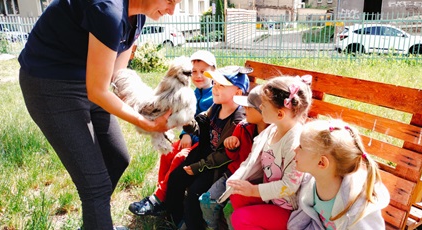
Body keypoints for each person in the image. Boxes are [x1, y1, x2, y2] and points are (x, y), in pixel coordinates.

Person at [17, 0, 181, 229]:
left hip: (88, 80)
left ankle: (96, 222)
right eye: (170, 0)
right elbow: (98, 91)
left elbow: (117, 73)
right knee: (95, 185)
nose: (172, 11)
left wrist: (150, 108)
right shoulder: (108, 10)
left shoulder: (139, 15)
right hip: (50, 84)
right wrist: (146, 123)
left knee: (116, 159)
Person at [128, 50, 216, 216]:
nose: (198, 76)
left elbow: (205, 125)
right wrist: (185, 134)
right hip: (191, 139)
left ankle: (159, 199)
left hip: (205, 145)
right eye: (193, 72)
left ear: (214, 71)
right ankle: (162, 194)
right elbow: (184, 119)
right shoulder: (192, 92)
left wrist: (190, 134)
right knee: (167, 155)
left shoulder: (215, 96)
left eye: (203, 71)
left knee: (179, 157)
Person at [219, 75, 313, 230]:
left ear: (280, 114)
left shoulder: (294, 143)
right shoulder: (273, 129)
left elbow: (290, 186)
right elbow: (253, 159)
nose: (260, 107)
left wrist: (253, 190)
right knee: (237, 194)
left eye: (263, 105)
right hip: (273, 199)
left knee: (240, 218)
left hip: (289, 210)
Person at [164, 66, 251, 229]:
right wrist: (189, 124)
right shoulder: (216, 107)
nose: (215, 88)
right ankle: (176, 218)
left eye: (221, 85)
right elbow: (200, 126)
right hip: (203, 154)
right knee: (176, 177)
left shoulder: (238, 120)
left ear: (238, 93)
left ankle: (193, 226)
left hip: (217, 167)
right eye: (215, 83)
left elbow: (225, 155)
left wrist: (199, 166)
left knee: (194, 193)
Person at [288, 119, 390, 229]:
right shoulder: (311, 185)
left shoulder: (357, 206)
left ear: (322, 163)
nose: (295, 149)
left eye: (301, 147)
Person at [199, 85, 269, 230]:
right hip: (233, 175)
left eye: (249, 107)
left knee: (230, 210)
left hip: (255, 182)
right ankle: (212, 226)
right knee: (207, 201)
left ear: (263, 112)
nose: (244, 110)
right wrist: (232, 147)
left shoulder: (274, 134)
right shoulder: (243, 127)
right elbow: (232, 156)